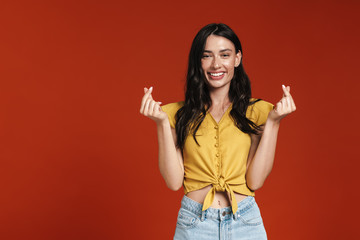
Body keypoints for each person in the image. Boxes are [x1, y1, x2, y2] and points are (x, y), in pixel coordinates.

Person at [139, 23, 296, 240]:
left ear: (237, 59)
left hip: (245, 223)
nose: (216, 64)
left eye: (225, 55)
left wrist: (274, 123)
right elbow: (174, 182)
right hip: (194, 225)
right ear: (198, 61)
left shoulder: (258, 112)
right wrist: (161, 124)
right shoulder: (176, 115)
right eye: (207, 56)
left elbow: (255, 181)